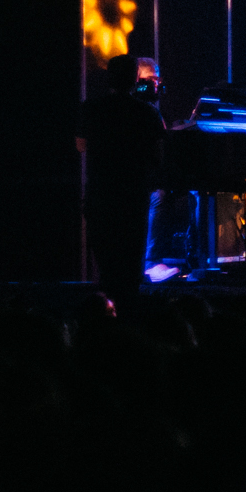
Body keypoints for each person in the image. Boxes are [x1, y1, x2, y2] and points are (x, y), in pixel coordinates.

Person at [76, 54, 166, 308]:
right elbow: (158, 155)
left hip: (101, 191)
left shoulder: (90, 108)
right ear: (136, 79)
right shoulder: (148, 112)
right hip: (133, 194)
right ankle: (129, 313)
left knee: (106, 258)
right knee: (130, 260)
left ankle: (104, 310)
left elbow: (81, 145)